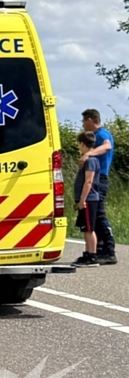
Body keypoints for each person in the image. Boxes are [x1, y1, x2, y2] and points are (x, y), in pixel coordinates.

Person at [79, 109, 117, 264]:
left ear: (89, 120)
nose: (82, 125)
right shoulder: (96, 136)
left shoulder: (102, 134)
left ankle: (108, 250)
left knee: (98, 213)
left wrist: (89, 153)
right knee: (95, 214)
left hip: (99, 178)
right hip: (95, 178)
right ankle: (100, 249)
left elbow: (107, 146)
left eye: (83, 122)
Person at [73, 132, 102, 267]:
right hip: (87, 199)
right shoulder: (91, 159)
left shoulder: (90, 161)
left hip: (88, 199)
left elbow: (88, 181)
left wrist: (82, 199)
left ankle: (92, 255)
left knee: (89, 229)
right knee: (85, 228)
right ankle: (88, 252)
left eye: (79, 144)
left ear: (83, 144)